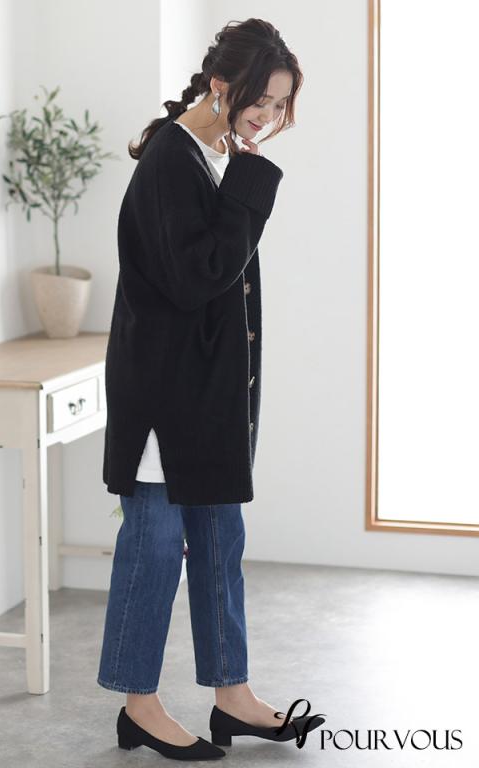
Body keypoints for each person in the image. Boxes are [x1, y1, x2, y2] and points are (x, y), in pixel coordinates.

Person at [97, 17, 324, 761]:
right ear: (222, 85)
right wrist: (251, 185)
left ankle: (233, 697)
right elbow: (200, 278)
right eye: (261, 100)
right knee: (157, 545)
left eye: (281, 105)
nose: (269, 116)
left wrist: (242, 171)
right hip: (166, 398)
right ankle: (139, 706)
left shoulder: (219, 153)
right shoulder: (173, 158)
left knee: (221, 543)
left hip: (212, 398)